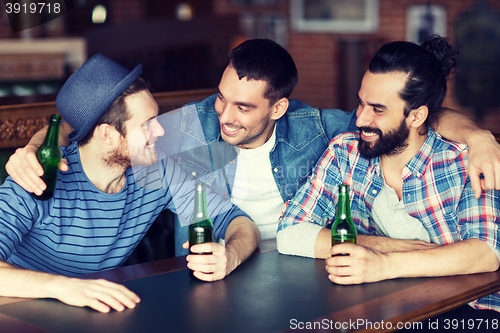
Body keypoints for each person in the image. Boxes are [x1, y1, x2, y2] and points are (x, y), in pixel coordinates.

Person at [6, 39, 500, 253]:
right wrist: (38, 143)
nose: (224, 115)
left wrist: (478, 136)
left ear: (278, 109)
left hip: (299, 265)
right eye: (222, 99)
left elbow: (400, 118)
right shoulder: (185, 129)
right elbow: (100, 126)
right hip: (213, 271)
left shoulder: (315, 128)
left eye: (244, 108)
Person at [0, 54, 260, 313]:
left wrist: (231, 256)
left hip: (96, 314)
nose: (160, 131)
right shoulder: (37, 178)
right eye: (147, 124)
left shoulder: (157, 174)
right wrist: (65, 287)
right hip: (22, 314)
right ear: (107, 134)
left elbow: (241, 223)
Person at [277, 35, 500, 326]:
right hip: (380, 307)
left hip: (466, 310)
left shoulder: (461, 161)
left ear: (417, 116)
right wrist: (384, 248)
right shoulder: (345, 153)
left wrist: (383, 264)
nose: (360, 119)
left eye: (378, 110)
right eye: (361, 104)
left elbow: (485, 253)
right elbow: (290, 231)